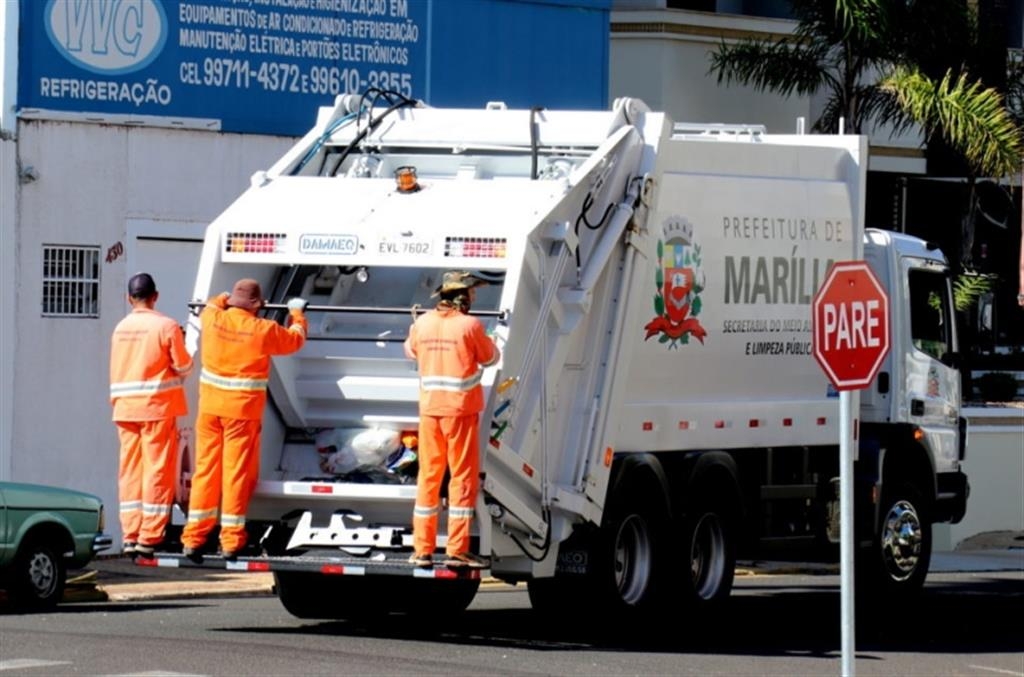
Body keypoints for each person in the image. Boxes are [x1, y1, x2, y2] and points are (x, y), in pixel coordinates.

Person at [181, 279, 308, 561]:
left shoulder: (212, 317)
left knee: (205, 472)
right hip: (241, 413)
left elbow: (212, 303)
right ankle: (230, 541)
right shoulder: (262, 329)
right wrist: (297, 314)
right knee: (234, 475)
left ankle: (193, 537)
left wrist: (222, 297)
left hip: (210, 409)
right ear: (257, 306)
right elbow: (295, 339)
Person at [404, 271, 500, 569]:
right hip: (459, 413)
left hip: (430, 411)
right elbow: (491, 358)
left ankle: (422, 550)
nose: (473, 298)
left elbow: (410, 352)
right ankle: (457, 549)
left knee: (429, 478)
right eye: (471, 294)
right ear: (462, 298)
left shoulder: (422, 324)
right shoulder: (469, 325)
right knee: (461, 479)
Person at [109, 272, 193, 559]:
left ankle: (130, 535)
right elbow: (183, 367)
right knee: (157, 470)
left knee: (129, 472)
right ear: (155, 296)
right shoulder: (166, 326)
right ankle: (149, 536)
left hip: (124, 408)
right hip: (156, 408)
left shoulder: (120, 328)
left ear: (128, 298)